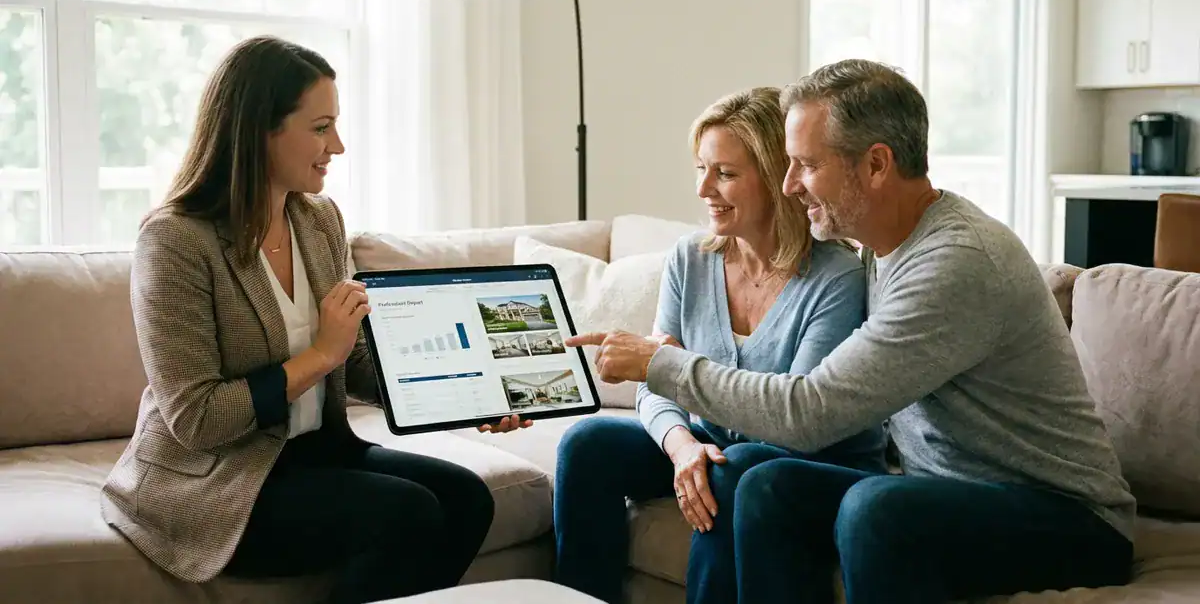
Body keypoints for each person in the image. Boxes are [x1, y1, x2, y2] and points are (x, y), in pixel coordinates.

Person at [567, 59, 1137, 604]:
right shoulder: (881, 250)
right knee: (768, 488)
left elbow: (811, 412)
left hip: (1066, 515)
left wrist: (660, 364)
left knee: (874, 509)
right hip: (945, 488)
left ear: (877, 164)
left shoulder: (955, 262)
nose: (789, 186)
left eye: (807, 165)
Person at [99, 36, 524, 604]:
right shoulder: (175, 241)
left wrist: (471, 399)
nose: (339, 146)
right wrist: (319, 355)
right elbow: (196, 419)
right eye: (321, 127)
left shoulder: (319, 220)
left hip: (313, 453)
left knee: (470, 497)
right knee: (411, 513)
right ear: (259, 130)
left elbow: (361, 363)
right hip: (218, 475)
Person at [553, 87, 889, 604]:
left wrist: (672, 380)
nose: (704, 188)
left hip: (808, 461)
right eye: (702, 168)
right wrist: (682, 444)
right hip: (713, 445)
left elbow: (794, 418)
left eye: (726, 173)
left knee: (733, 467)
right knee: (588, 443)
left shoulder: (837, 278)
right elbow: (656, 381)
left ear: (781, 180)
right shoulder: (691, 258)